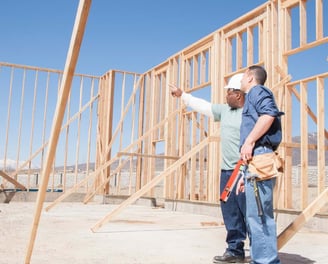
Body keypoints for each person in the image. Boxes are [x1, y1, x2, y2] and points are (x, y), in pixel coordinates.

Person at [169, 73, 248, 263]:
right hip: (227, 172)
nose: (225, 95)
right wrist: (182, 95)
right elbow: (203, 106)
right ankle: (235, 251)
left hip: (245, 171)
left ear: (238, 94)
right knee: (231, 213)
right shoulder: (225, 111)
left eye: (228, 92)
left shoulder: (251, 113)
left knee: (250, 213)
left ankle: (261, 254)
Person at [238, 65, 283, 264]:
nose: (239, 81)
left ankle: (266, 261)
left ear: (249, 77)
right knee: (255, 216)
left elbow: (269, 114)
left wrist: (249, 140)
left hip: (260, 159)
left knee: (259, 216)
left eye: (242, 77)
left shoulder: (257, 91)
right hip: (255, 162)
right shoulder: (253, 96)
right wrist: (244, 173)